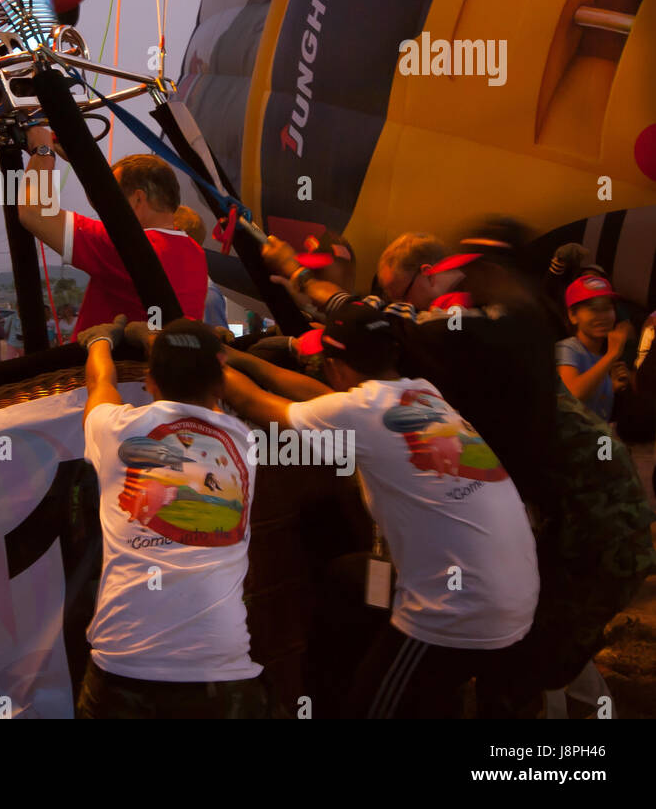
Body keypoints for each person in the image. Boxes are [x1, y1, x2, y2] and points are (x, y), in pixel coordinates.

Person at [223, 301, 539, 718]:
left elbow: (256, 404)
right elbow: (325, 400)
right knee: (349, 579)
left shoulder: (356, 412)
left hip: (457, 611)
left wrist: (208, 363)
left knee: (372, 708)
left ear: (334, 366)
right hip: (516, 593)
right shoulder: (421, 394)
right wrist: (241, 358)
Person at [77, 315, 271, 718]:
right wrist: (154, 339)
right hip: (222, 668)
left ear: (149, 380)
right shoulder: (243, 440)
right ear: (219, 380)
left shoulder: (115, 429)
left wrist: (101, 341)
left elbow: (101, 385)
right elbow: (238, 391)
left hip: (124, 664)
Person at [18, 126, 207, 331]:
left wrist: (43, 150)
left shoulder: (128, 246)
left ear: (138, 198)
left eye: (116, 195)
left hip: (109, 360)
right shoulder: (194, 251)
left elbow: (34, 211)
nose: (109, 202)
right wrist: (80, 161)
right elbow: (108, 206)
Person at [555, 274, 630, 423]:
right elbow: (573, 394)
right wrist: (612, 355)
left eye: (607, 308)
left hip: (596, 441)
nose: (602, 316)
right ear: (573, 315)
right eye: (593, 309)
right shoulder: (567, 348)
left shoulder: (602, 357)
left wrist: (612, 388)